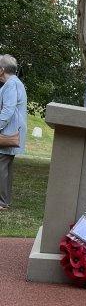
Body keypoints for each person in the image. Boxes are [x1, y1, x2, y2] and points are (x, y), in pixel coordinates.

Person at [0, 55, 28, 209]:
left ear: (2, 70)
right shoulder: (15, 83)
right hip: (11, 131)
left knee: (2, 166)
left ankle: (2, 202)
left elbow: (8, 110)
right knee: (5, 167)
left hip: (8, 133)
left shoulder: (11, 84)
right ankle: (5, 201)